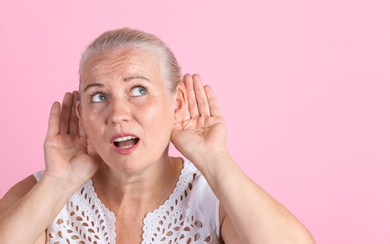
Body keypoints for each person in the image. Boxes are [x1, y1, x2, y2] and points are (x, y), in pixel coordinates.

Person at [0, 28, 315, 243]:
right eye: (98, 96)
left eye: (138, 90)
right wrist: (58, 183)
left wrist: (215, 160)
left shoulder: (215, 201)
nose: (117, 113)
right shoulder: (44, 193)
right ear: (81, 114)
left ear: (175, 103)